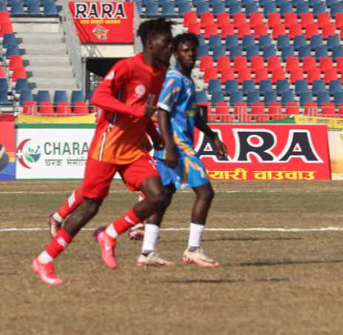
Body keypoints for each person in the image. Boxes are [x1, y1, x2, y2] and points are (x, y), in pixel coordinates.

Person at [32, 18, 174, 286]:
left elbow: (145, 111)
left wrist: (155, 136)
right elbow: (99, 97)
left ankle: (109, 234)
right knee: (89, 206)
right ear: (149, 43)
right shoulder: (127, 67)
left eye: (170, 43)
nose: (170, 48)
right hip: (107, 146)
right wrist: (135, 112)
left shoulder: (160, 74)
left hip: (132, 149)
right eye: (165, 43)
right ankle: (45, 260)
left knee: (159, 195)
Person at [139, 32, 229, 268]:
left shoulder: (188, 81)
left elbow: (194, 115)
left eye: (192, 51)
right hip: (177, 147)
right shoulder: (174, 79)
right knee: (205, 193)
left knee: (163, 198)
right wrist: (169, 146)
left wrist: (212, 136)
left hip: (174, 146)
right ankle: (193, 249)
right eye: (184, 51)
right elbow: (162, 112)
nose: (190, 54)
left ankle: (147, 252)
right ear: (176, 54)